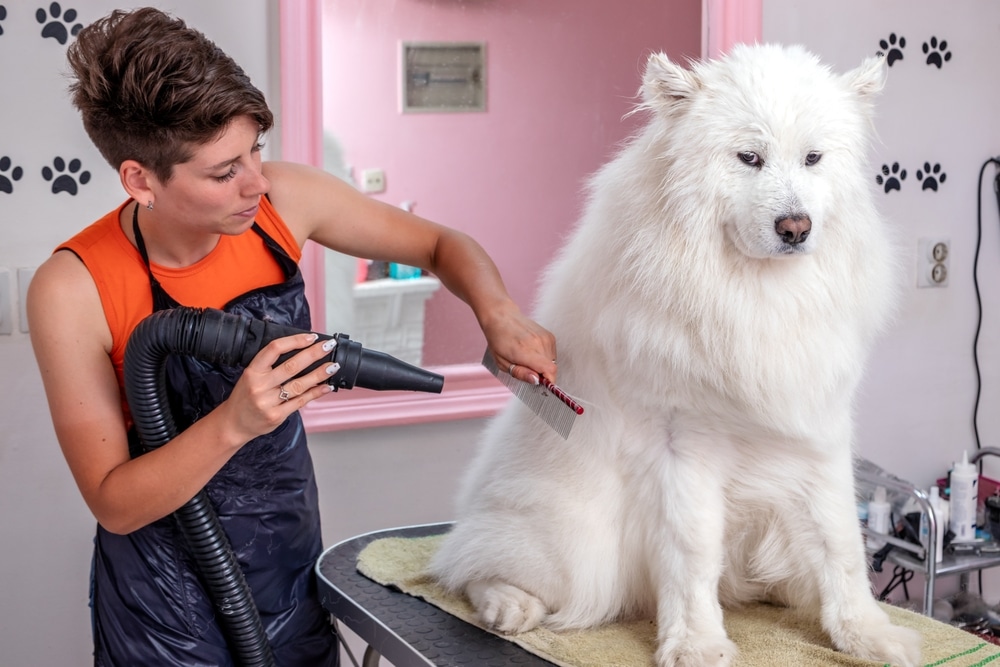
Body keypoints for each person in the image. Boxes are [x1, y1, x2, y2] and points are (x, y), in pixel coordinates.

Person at [27, 7, 557, 666]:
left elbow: (441, 244)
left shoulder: (283, 203)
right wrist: (235, 420)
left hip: (291, 562)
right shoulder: (73, 288)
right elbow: (114, 502)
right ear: (140, 179)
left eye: (257, 150)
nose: (256, 182)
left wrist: (498, 310)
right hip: (164, 608)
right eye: (224, 171)